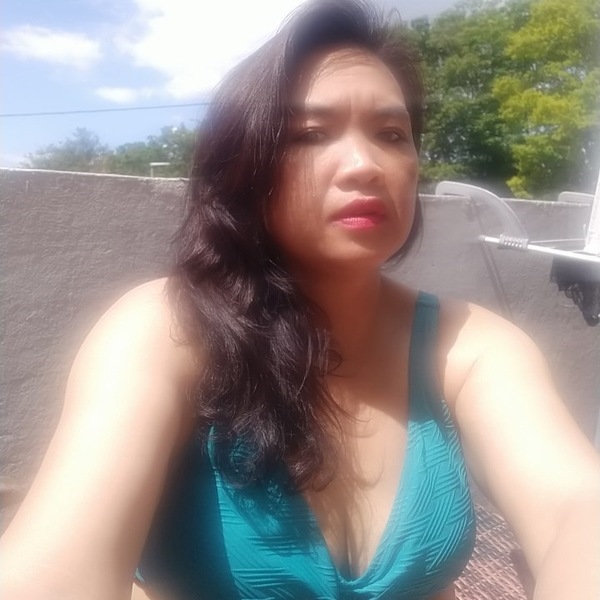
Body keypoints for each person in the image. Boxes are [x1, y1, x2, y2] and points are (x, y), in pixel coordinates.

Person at [1, 1, 599, 599]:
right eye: (310, 134)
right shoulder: (165, 329)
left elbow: (577, 505)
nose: (366, 165)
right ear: (244, 168)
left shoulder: (470, 345)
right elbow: (51, 573)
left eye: (392, 135)